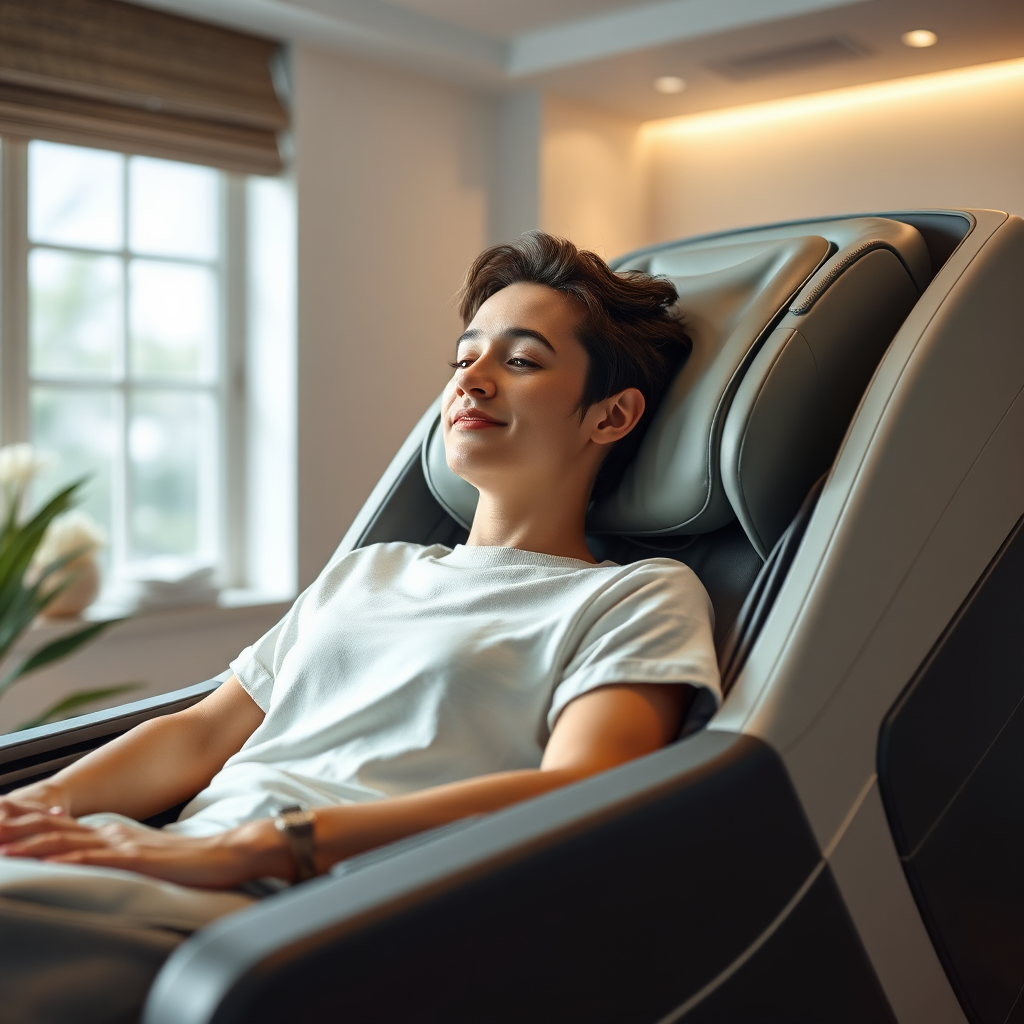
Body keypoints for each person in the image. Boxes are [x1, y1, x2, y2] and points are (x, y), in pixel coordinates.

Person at [0, 232, 719, 1020]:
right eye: (463, 359)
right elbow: (203, 734)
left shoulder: (637, 596)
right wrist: (41, 807)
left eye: (520, 362)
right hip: (168, 861)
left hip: (298, 912)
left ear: (610, 416)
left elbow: (580, 794)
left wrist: (262, 847)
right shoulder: (368, 571)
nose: (470, 382)